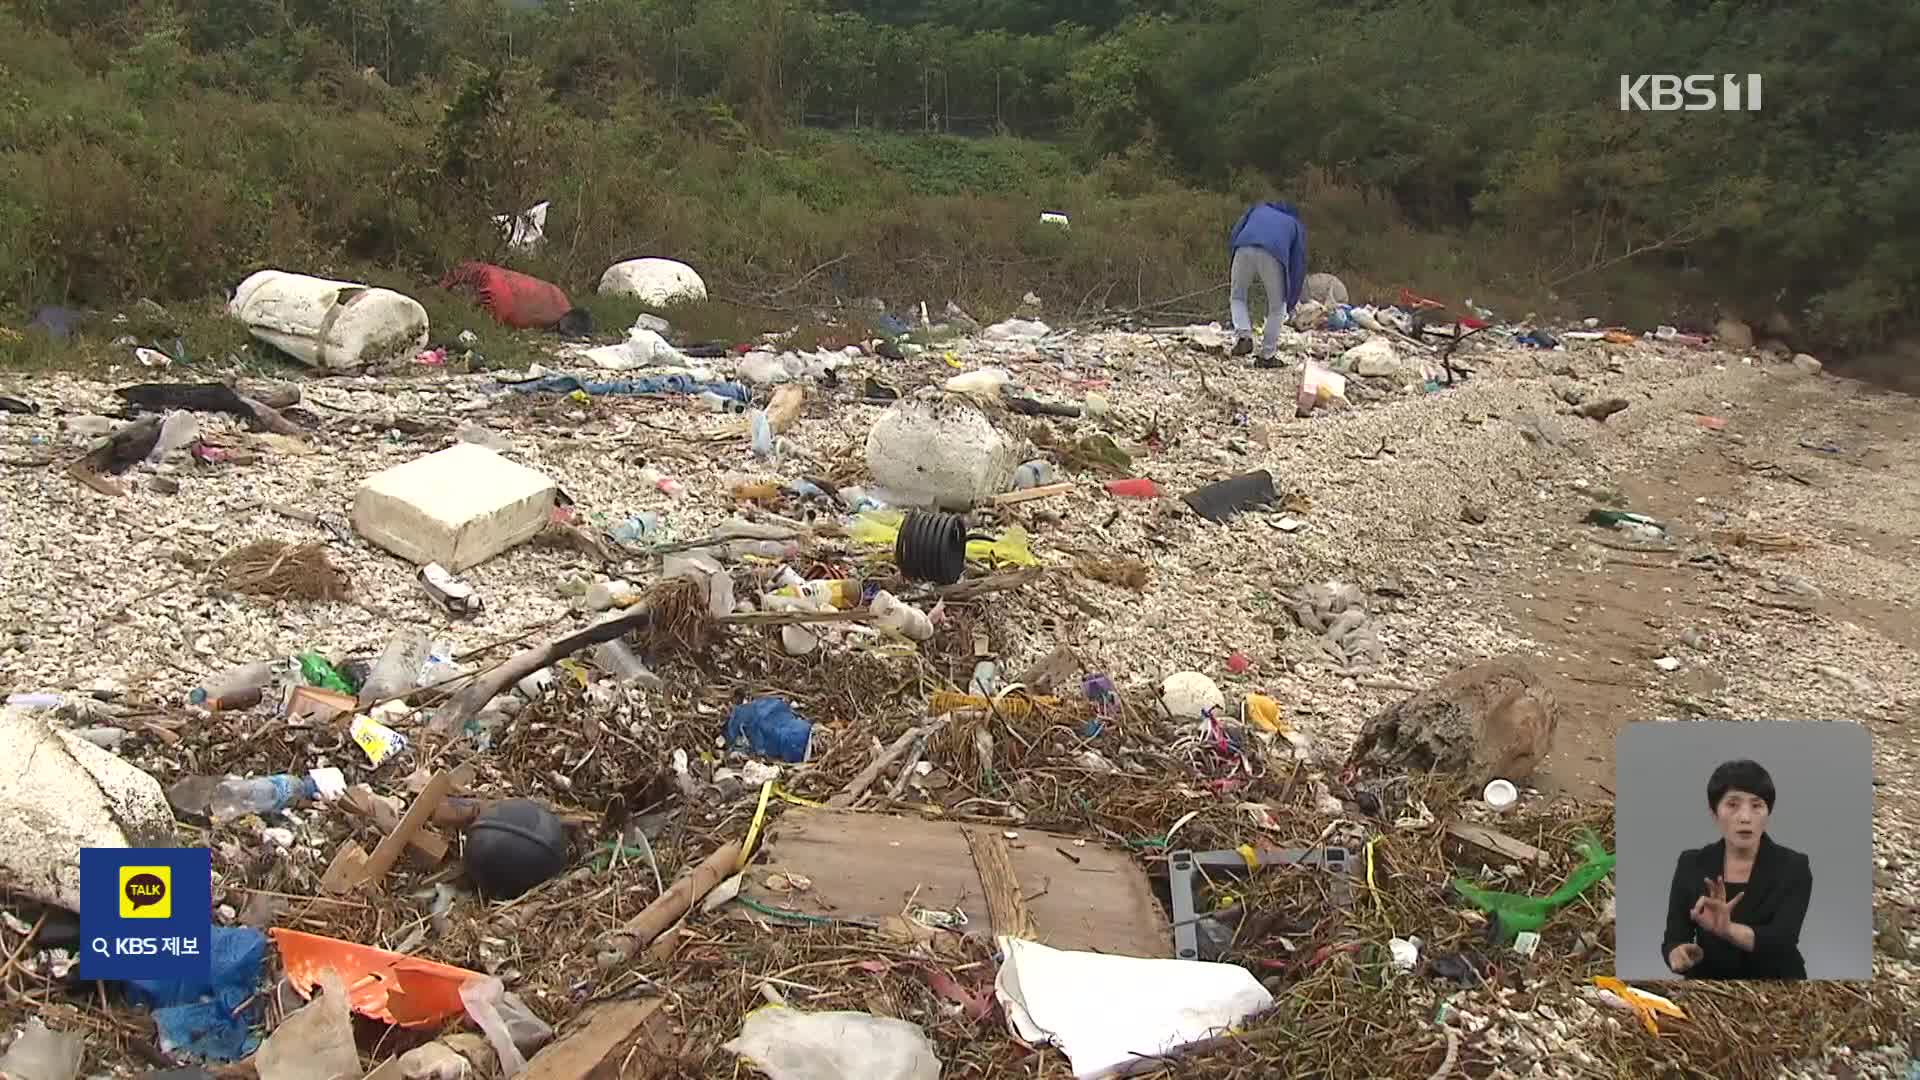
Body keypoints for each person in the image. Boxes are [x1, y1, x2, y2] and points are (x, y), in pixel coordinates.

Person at [1662, 759, 1812, 980]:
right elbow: (1674, 937)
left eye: (1757, 805)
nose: (1745, 817)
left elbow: (1783, 939)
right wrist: (1677, 955)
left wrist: (1727, 929)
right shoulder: (1691, 863)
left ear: (1768, 812)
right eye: (1732, 804)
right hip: (1711, 988)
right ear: (1714, 813)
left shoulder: (1794, 867)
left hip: (1779, 987)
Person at [1227, 201, 1308, 368]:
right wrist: (1291, 299)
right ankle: (1267, 355)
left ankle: (1244, 336)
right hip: (1274, 254)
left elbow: (1236, 232)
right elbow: (1297, 265)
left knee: (1237, 296)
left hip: (1243, 246)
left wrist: (1235, 253)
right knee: (1278, 307)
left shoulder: (1258, 208)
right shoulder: (1294, 225)